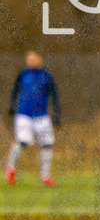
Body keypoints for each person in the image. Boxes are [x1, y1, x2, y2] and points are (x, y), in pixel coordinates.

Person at [5, 51, 61, 187]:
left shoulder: (47, 77)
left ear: (39, 59)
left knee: (47, 144)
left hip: (42, 116)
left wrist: (57, 114)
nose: (30, 61)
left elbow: (54, 95)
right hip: (24, 115)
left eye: (33, 59)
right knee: (22, 142)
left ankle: (45, 176)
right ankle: (10, 168)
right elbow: (15, 91)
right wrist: (12, 105)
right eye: (28, 59)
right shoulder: (23, 75)